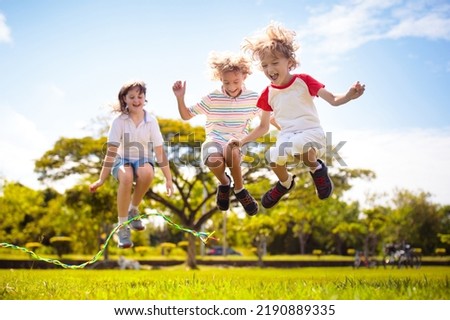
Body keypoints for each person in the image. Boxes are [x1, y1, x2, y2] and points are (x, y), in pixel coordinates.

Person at [230, 21, 365, 208]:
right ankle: (285, 183)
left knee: (300, 145)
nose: (270, 69)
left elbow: (333, 99)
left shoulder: (303, 81)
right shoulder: (267, 94)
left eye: (275, 63)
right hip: (288, 137)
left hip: (311, 131)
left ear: (290, 62)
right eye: (265, 65)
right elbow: (263, 126)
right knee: (272, 156)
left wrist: (350, 95)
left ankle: (317, 168)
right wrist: (242, 141)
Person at [172, 51, 260, 216]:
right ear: (220, 79)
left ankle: (240, 190)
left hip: (237, 142)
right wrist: (180, 98)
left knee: (232, 147)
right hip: (214, 139)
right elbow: (186, 115)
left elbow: (268, 120)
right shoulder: (212, 98)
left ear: (244, 77)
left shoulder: (253, 98)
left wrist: (288, 127)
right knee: (212, 158)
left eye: (236, 81)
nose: (232, 86)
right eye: (226, 82)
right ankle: (225, 183)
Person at [89, 80, 173, 248]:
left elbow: (159, 151)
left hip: (143, 158)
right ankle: (122, 227)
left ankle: (133, 209)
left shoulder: (151, 121)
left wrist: (168, 179)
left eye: (140, 96)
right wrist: (101, 179)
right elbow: (111, 151)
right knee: (126, 176)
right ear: (124, 99)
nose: (136, 100)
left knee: (147, 173)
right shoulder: (119, 121)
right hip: (122, 159)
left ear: (144, 98)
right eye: (132, 97)